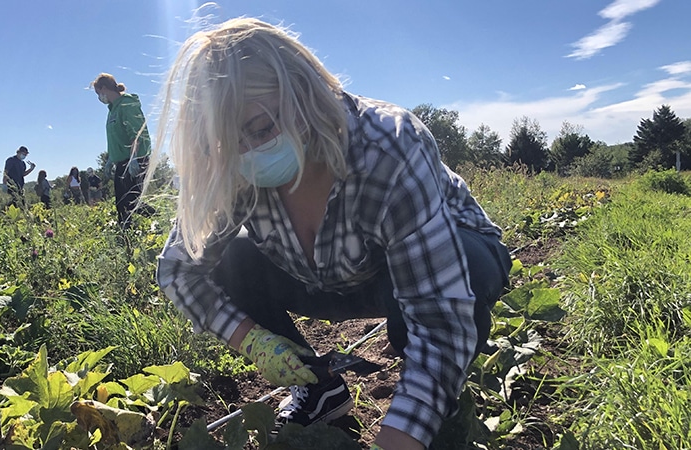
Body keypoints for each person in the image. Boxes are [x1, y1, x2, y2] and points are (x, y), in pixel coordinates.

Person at [150, 18, 512, 450]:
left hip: (447, 260)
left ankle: (439, 410)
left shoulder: (387, 146)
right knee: (234, 262)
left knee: (455, 283)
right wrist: (252, 340)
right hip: (334, 278)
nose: (250, 153)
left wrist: (395, 439)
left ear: (304, 93)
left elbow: (440, 320)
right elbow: (178, 270)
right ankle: (320, 390)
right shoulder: (235, 172)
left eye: (262, 129)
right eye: (229, 144)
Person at [91, 73, 155, 227]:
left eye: (98, 93)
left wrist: (134, 157)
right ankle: (125, 234)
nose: (99, 97)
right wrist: (110, 159)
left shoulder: (127, 104)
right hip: (122, 160)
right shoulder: (112, 109)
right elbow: (115, 138)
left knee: (131, 201)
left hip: (135, 159)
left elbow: (136, 132)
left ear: (104, 88)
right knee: (122, 203)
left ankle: (160, 220)